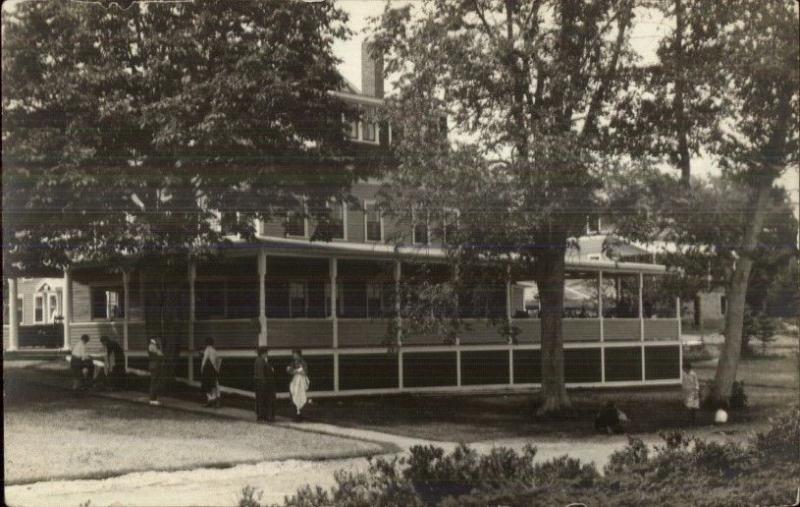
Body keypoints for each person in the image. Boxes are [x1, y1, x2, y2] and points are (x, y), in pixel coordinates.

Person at [253, 346, 276, 422]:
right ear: (263, 353)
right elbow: (261, 374)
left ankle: (262, 415)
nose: (267, 354)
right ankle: (262, 416)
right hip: (262, 383)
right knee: (263, 399)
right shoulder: (260, 361)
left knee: (261, 399)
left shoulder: (260, 360)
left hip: (260, 383)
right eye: (266, 353)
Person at [287, 349, 310, 422]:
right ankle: (295, 415)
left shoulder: (302, 362)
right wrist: (293, 371)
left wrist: (298, 371)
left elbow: (305, 372)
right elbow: (289, 370)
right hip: (294, 382)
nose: (294, 356)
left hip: (300, 383)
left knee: (300, 397)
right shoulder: (292, 363)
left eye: (295, 354)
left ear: (299, 355)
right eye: (293, 355)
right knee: (293, 397)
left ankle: (300, 415)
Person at [200, 337, 221, 408]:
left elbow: (205, 359)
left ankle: (211, 399)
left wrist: (202, 368)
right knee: (214, 384)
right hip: (214, 369)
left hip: (207, 369)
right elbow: (218, 360)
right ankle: (215, 400)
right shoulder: (215, 351)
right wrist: (217, 369)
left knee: (206, 384)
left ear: (206, 343)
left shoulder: (207, 350)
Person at [148, 337, 164, 405]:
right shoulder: (153, 346)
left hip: (152, 365)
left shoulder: (151, 346)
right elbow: (160, 354)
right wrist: (159, 347)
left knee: (154, 381)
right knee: (155, 382)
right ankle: (153, 399)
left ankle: (153, 398)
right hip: (155, 365)